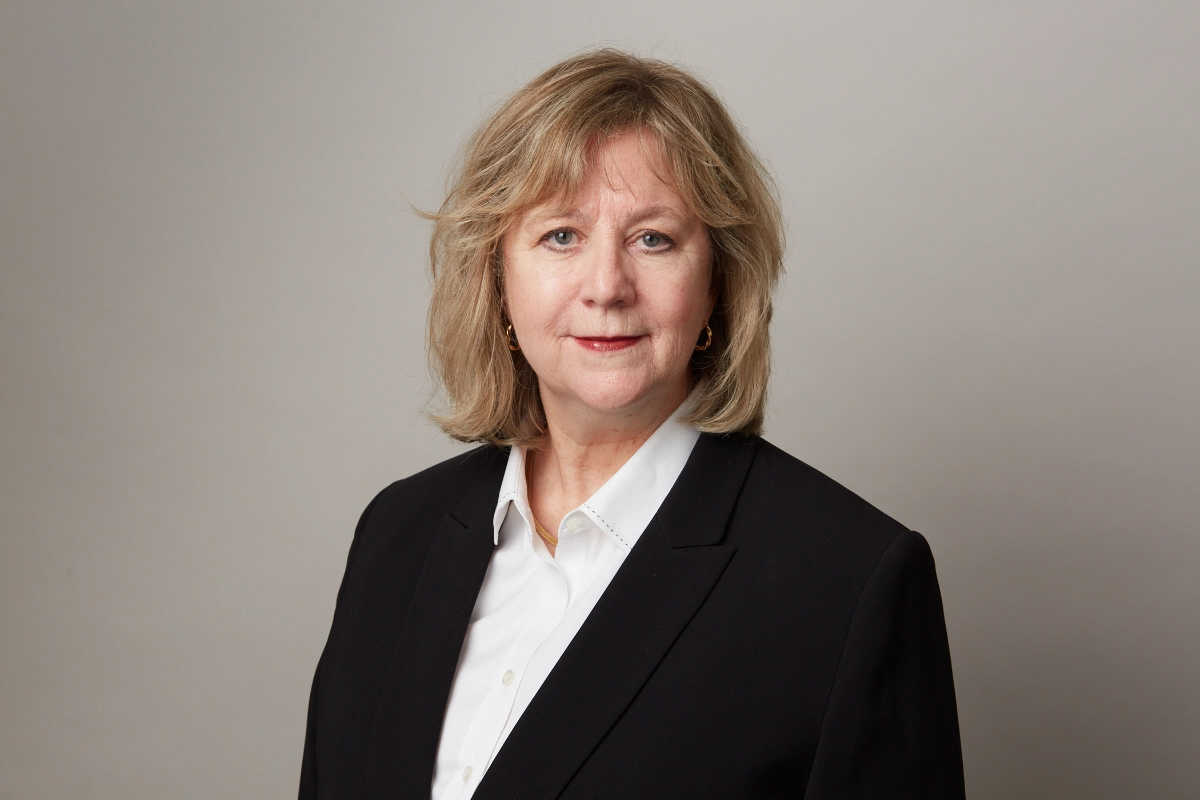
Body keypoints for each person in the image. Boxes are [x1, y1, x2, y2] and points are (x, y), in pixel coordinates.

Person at [299, 49, 965, 800]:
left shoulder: (849, 583)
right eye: (560, 236)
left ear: (718, 281)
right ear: (496, 277)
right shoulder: (398, 535)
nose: (607, 286)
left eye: (654, 238)